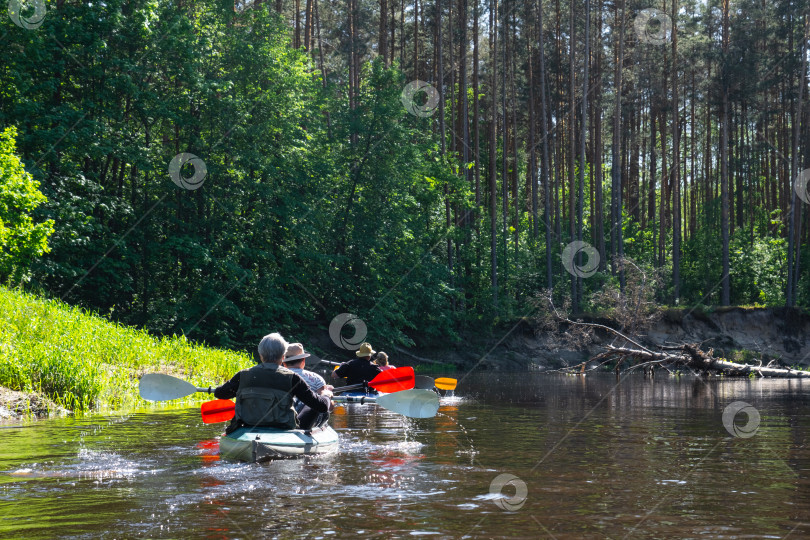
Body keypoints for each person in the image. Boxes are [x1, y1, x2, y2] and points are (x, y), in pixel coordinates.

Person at [214, 333, 334, 434]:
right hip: (283, 429)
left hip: (247, 425)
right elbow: (322, 407)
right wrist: (326, 394)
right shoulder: (293, 378)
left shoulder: (243, 375)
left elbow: (220, 393)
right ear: (283, 357)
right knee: (312, 404)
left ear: (261, 356)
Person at [282, 342, 333, 428]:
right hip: (306, 421)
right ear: (303, 361)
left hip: (282, 418)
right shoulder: (317, 378)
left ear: (284, 363)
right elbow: (328, 407)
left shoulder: (278, 376)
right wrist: (328, 394)